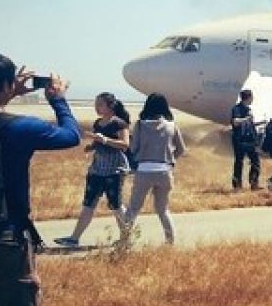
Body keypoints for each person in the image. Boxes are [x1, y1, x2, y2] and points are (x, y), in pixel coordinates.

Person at [0, 54, 81, 306]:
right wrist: (58, 99)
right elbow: (70, 136)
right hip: (6, 236)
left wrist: (5, 93)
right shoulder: (18, 128)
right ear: (6, 85)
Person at [55, 92, 131, 247]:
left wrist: (105, 140)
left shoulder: (119, 124)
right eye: (96, 104)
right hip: (97, 168)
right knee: (88, 203)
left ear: (110, 106)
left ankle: (126, 238)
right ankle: (74, 238)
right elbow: (99, 143)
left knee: (116, 205)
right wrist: (91, 146)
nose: (97, 107)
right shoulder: (98, 123)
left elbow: (125, 144)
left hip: (114, 170)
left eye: (100, 104)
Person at [124, 93, 186, 244]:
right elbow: (181, 149)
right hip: (164, 171)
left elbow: (133, 148)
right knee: (163, 210)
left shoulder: (140, 125)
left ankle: (124, 241)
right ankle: (170, 241)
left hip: (144, 170)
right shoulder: (172, 126)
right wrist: (170, 160)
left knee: (133, 209)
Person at [229, 89, 261, 192]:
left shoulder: (248, 109)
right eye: (252, 97)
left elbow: (249, 124)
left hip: (250, 139)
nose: (253, 99)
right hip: (240, 140)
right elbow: (235, 122)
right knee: (239, 161)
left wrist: (260, 123)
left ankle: (254, 183)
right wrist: (246, 118)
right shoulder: (236, 109)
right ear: (248, 98)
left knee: (255, 161)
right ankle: (237, 185)